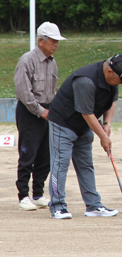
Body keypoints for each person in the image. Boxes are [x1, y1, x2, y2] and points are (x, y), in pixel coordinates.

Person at [47, 54, 122, 219]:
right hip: (64, 122)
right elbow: (86, 113)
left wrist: (107, 125)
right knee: (60, 164)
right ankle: (57, 206)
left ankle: (93, 205)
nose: (121, 84)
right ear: (109, 72)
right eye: (120, 80)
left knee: (86, 165)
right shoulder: (85, 81)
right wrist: (103, 136)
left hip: (84, 125)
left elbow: (111, 102)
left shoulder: (113, 78)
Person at [14, 22, 67, 211]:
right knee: (28, 152)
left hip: (49, 111)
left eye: (57, 41)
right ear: (41, 41)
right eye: (53, 41)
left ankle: (38, 193)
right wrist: (40, 111)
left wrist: (52, 111)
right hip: (30, 112)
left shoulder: (53, 62)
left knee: (46, 154)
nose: (56, 44)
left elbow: (53, 91)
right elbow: (23, 92)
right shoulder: (27, 60)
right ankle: (23, 195)